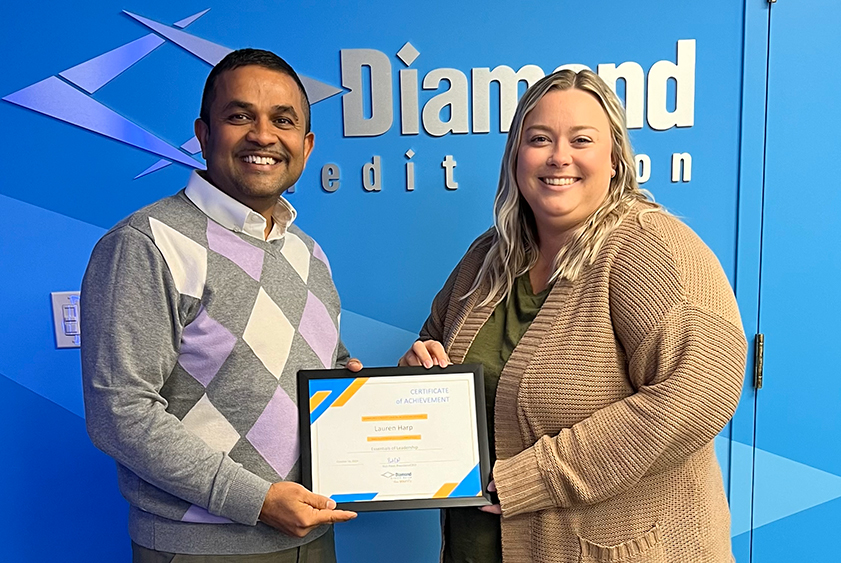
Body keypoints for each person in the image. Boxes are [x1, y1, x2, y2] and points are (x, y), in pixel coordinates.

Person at [400, 69, 746, 563]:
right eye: (539, 139)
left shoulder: (650, 248)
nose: (559, 156)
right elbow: (431, 343)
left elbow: (698, 395)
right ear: (516, 158)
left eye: (581, 139)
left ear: (614, 160)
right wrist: (418, 373)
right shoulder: (485, 258)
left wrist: (536, 477)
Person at [81, 49, 359, 562]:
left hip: (313, 537)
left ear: (306, 143)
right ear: (204, 134)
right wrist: (256, 500)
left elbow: (323, 370)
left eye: (283, 120)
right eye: (239, 116)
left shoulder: (307, 251)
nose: (263, 135)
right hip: (200, 549)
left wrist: (378, 387)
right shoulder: (146, 243)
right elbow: (120, 413)